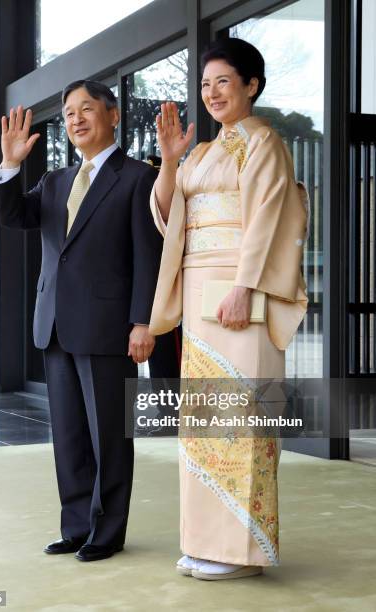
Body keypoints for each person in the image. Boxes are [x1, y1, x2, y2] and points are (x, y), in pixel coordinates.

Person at [149, 38, 308, 580]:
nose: (212, 93)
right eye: (205, 84)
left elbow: (269, 219)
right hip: (199, 295)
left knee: (243, 419)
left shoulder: (263, 141)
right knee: (203, 424)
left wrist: (246, 287)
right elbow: (171, 219)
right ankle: (204, 541)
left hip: (242, 294)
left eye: (223, 81)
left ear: (251, 86)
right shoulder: (199, 153)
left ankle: (243, 551)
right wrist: (170, 162)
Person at [0, 81, 163, 562]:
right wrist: (10, 166)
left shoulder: (136, 178)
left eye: (87, 109)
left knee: (109, 434)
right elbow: (14, 217)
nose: (76, 119)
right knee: (67, 435)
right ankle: (76, 525)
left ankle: (107, 533)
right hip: (56, 325)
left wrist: (142, 322)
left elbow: (148, 256)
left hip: (110, 327)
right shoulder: (55, 181)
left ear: (113, 116)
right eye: (68, 113)